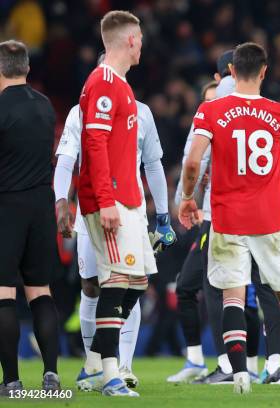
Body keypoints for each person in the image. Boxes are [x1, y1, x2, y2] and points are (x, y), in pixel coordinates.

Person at [179, 42, 280, 394]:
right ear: (264, 72)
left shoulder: (210, 111)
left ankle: (239, 378)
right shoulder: (277, 111)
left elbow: (192, 162)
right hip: (270, 220)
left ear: (231, 72)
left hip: (227, 218)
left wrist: (188, 198)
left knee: (232, 296)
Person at [54, 55, 174, 392]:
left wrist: (162, 214)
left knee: (127, 282)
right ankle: (97, 364)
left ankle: (120, 365)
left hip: (131, 213)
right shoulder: (80, 113)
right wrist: (61, 200)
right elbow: (66, 162)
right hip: (93, 211)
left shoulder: (143, 113)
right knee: (93, 286)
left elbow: (153, 165)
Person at [78, 10, 153, 397]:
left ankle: (94, 360)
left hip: (129, 201)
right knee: (116, 280)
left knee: (138, 280)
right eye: (139, 38)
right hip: (110, 202)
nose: (142, 44)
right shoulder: (104, 82)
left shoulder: (121, 85)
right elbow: (94, 145)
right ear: (129, 41)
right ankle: (110, 376)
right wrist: (106, 201)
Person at [0, 39, 61, 394]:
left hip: (7, 207)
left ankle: (11, 381)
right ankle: (51, 376)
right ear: (25, 67)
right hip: (42, 207)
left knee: (5, 293)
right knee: (40, 292)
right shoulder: (45, 106)